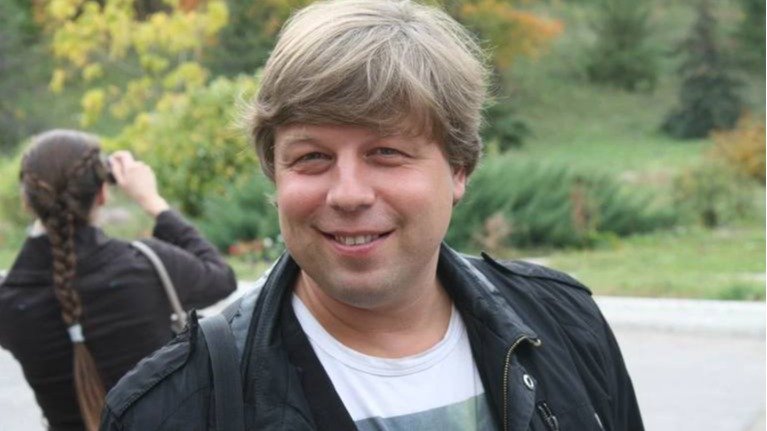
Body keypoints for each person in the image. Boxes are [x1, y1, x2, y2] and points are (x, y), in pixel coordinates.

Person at [101, 1, 644, 430]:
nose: (348, 194)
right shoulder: (172, 407)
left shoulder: (566, 325)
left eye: (386, 152)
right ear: (275, 175)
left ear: (458, 168)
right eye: (312, 157)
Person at [0, 130, 237, 431]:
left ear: (27, 202)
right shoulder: (146, 265)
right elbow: (221, 277)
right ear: (102, 193)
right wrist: (152, 201)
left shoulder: (10, 303)